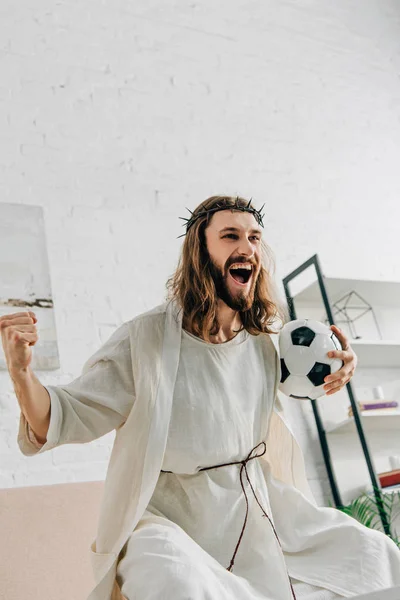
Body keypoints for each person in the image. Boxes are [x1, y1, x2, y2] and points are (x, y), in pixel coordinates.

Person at [4, 195, 400, 600]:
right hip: (172, 517)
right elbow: (60, 417)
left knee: (377, 555)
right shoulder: (145, 340)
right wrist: (22, 375)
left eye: (254, 237)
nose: (247, 247)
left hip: (259, 502)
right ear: (199, 250)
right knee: (174, 582)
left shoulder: (266, 339)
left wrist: (342, 366)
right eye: (230, 236)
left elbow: (307, 371)